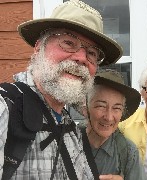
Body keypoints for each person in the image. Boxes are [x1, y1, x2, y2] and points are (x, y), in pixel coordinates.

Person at [0, 0, 122, 179]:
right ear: (38, 47)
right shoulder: (5, 108)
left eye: (92, 53)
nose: (81, 58)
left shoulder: (69, 126)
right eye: (68, 42)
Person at [76, 69, 147, 180]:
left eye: (116, 108)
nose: (108, 117)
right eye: (101, 106)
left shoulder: (128, 153)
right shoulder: (68, 141)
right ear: (85, 108)